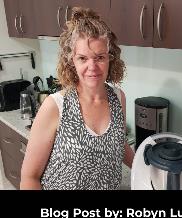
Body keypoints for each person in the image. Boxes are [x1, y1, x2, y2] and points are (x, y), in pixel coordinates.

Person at [20, 6, 135, 190]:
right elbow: (29, 178)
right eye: (82, 58)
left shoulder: (118, 97)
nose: (92, 67)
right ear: (71, 61)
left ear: (110, 58)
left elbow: (118, 142)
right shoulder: (56, 106)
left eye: (99, 57)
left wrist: (145, 167)